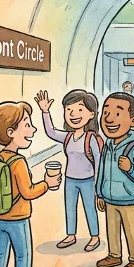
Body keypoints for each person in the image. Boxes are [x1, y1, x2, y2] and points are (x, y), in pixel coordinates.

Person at [0, 101, 60, 267]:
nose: (32, 130)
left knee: (0, 252)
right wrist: (47, 184)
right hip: (17, 217)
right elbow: (28, 192)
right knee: (23, 254)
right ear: (10, 132)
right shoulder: (17, 162)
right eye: (27, 125)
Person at [35, 89, 102, 252]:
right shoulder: (68, 137)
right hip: (70, 179)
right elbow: (51, 132)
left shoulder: (91, 138)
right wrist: (45, 112)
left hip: (88, 180)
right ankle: (71, 235)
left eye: (79, 109)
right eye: (69, 109)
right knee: (70, 208)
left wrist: (98, 186)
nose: (73, 114)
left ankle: (95, 237)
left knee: (89, 208)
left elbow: (99, 161)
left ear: (91, 114)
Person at [96, 93, 134, 267]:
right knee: (112, 228)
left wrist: (130, 168)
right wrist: (99, 193)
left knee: (131, 229)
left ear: (133, 121)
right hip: (109, 197)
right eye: (105, 113)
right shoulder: (108, 145)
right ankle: (114, 255)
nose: (109, 119)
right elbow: (102, 170)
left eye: (117, 114)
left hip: (129, 197)